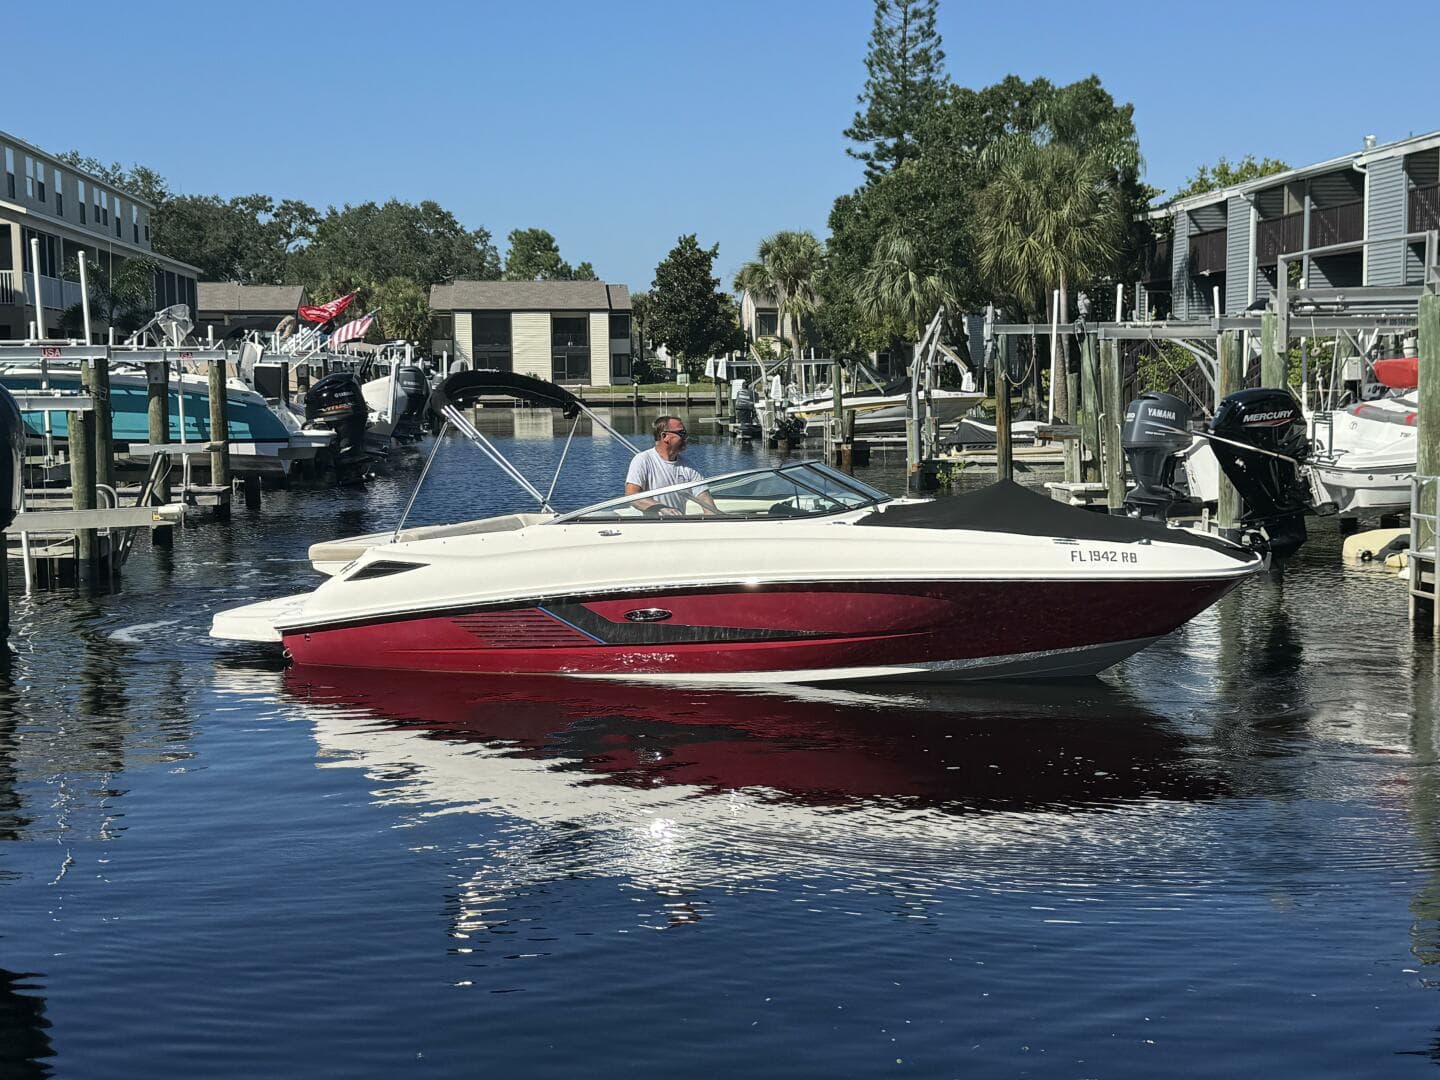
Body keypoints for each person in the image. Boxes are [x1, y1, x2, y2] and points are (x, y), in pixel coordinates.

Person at [624, 415, 719, 516]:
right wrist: (662, 508)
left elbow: (707, 504)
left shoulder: (689, 466)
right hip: (647, 526)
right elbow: (632, 496)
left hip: (676, 525)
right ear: (665, 436)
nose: (686, 437)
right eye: (681, 433)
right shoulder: (642, 460)